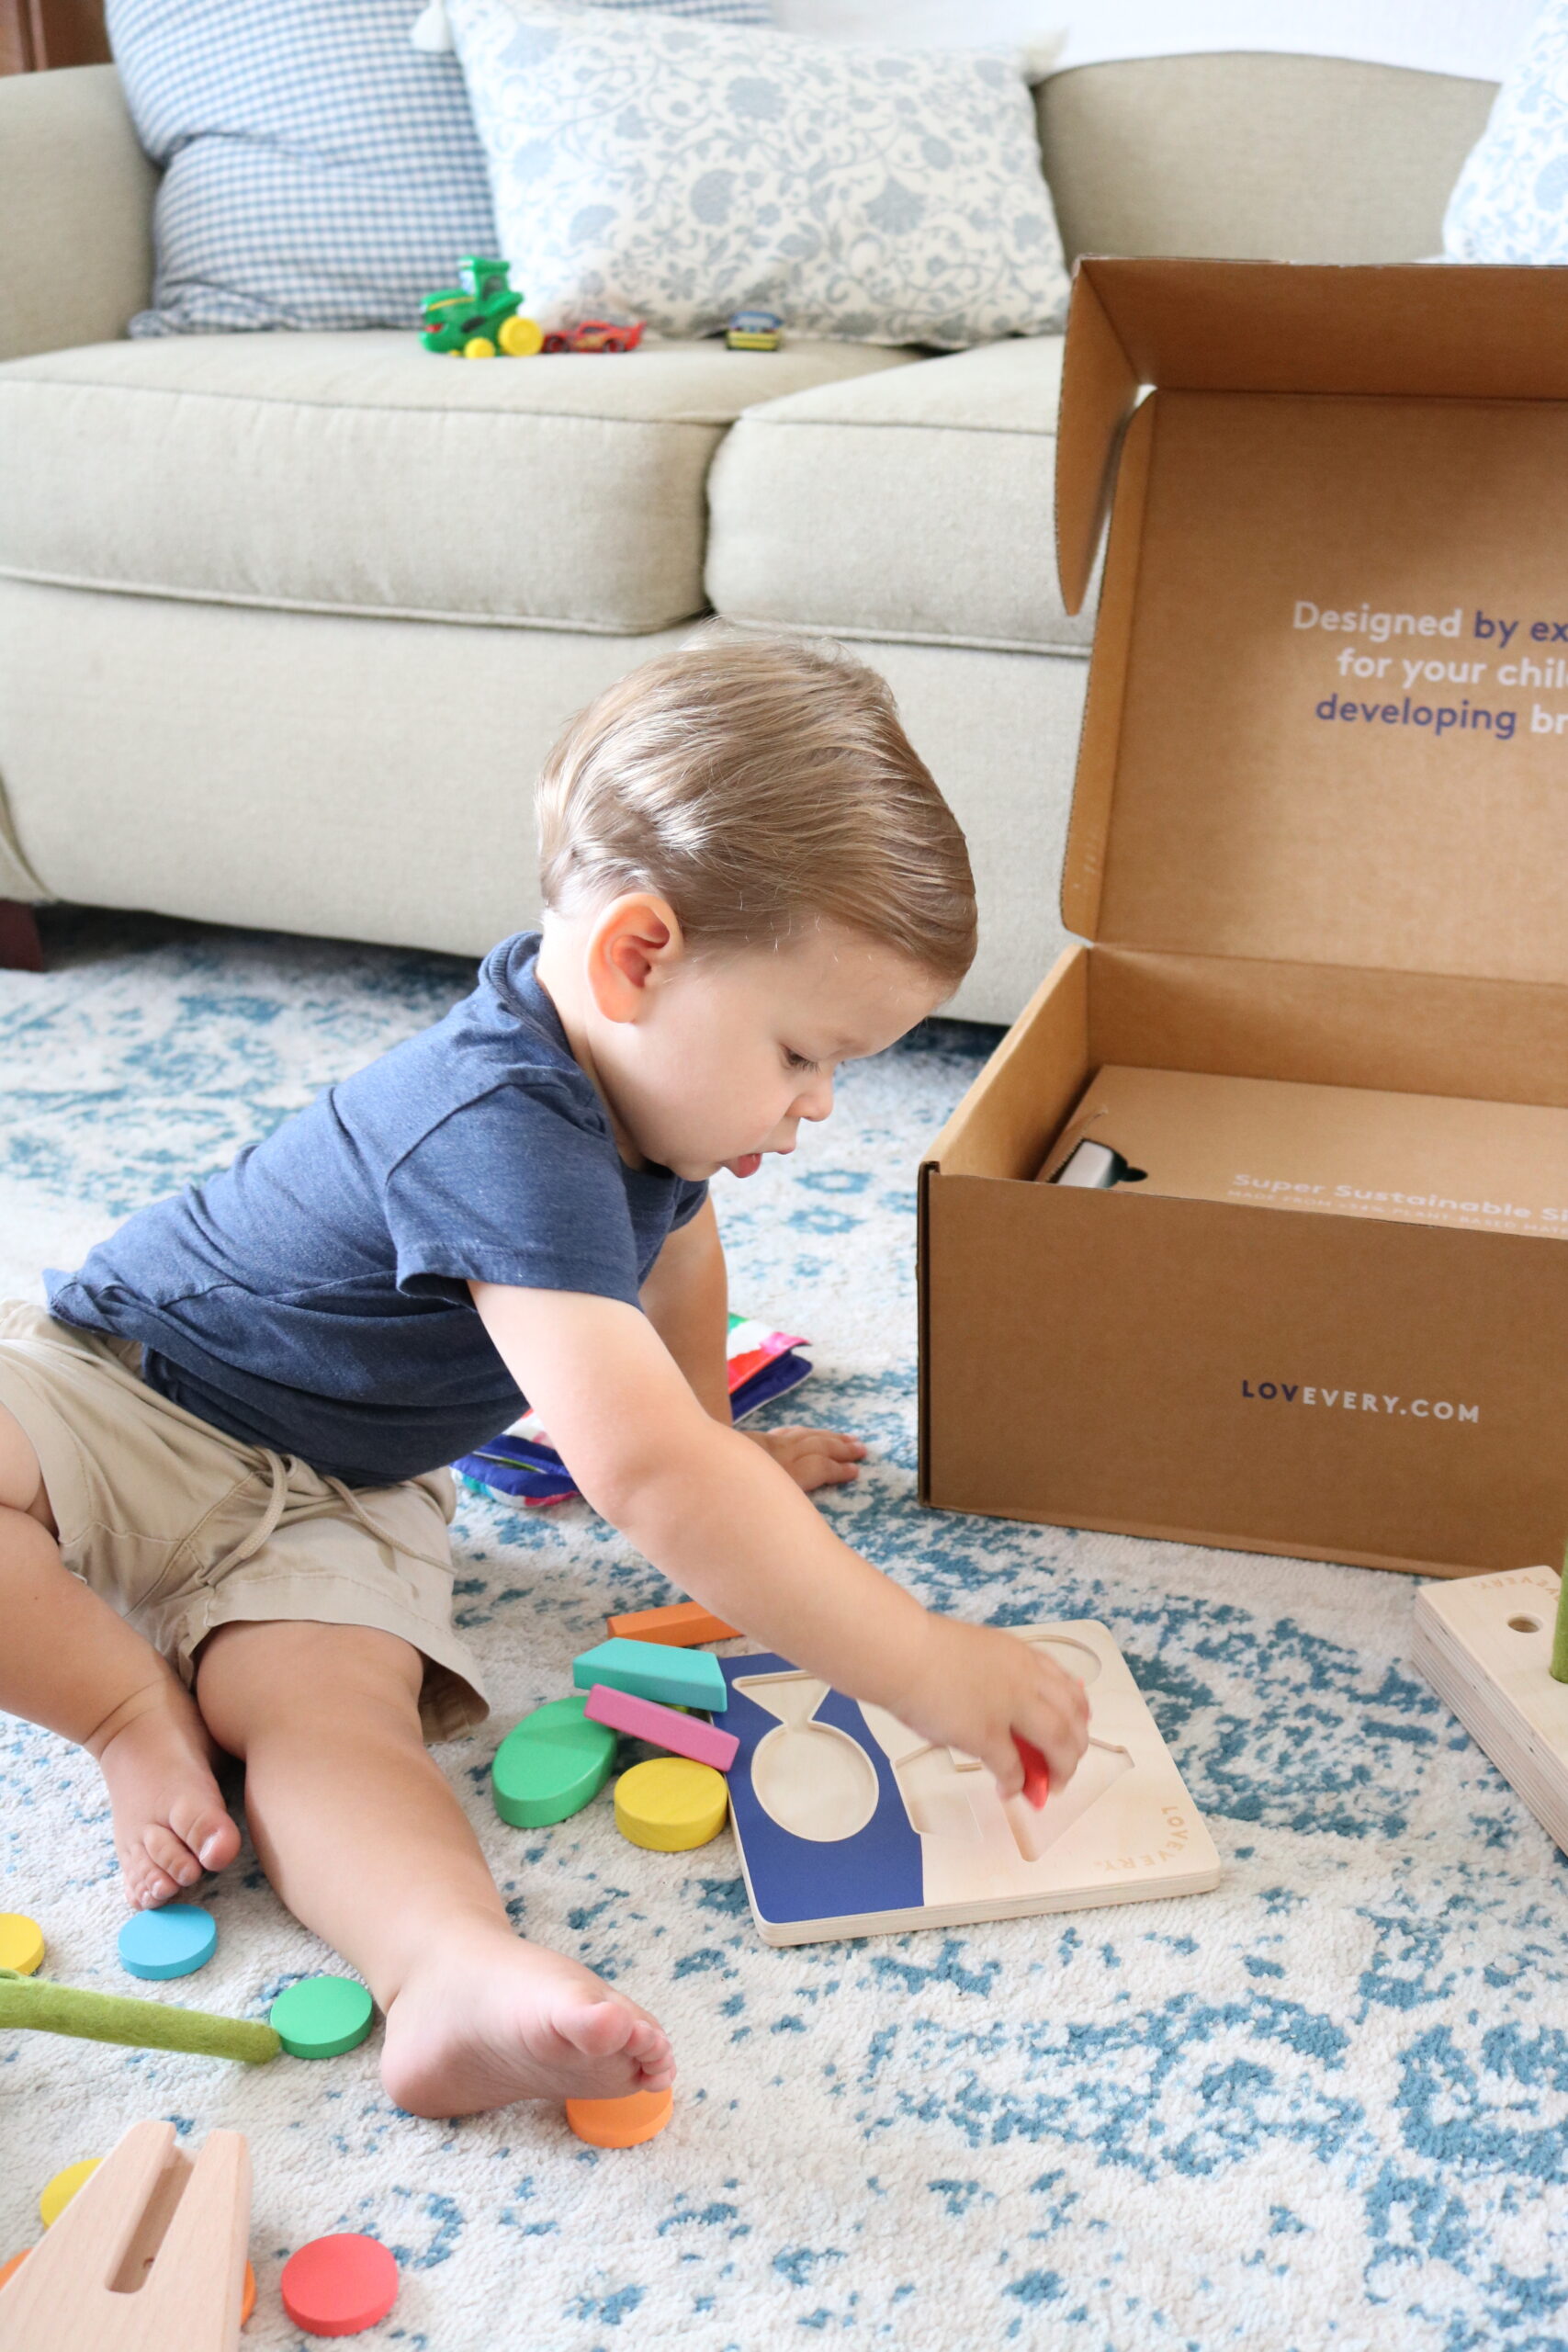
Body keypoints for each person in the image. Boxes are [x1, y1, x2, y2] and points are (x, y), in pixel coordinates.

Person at [0, 629, 1089, 2120]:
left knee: (338, 1735)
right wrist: (916, 1661)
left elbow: (677, 1268)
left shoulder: (653, 1100)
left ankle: (448, 1970)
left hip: (351, 1492)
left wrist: (718, 1437)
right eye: (801, 1054)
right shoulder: (494, 1117)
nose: (822, 1104)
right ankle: (130, 1712)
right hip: (133, 1392)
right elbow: (637, 1475)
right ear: (639, 956)